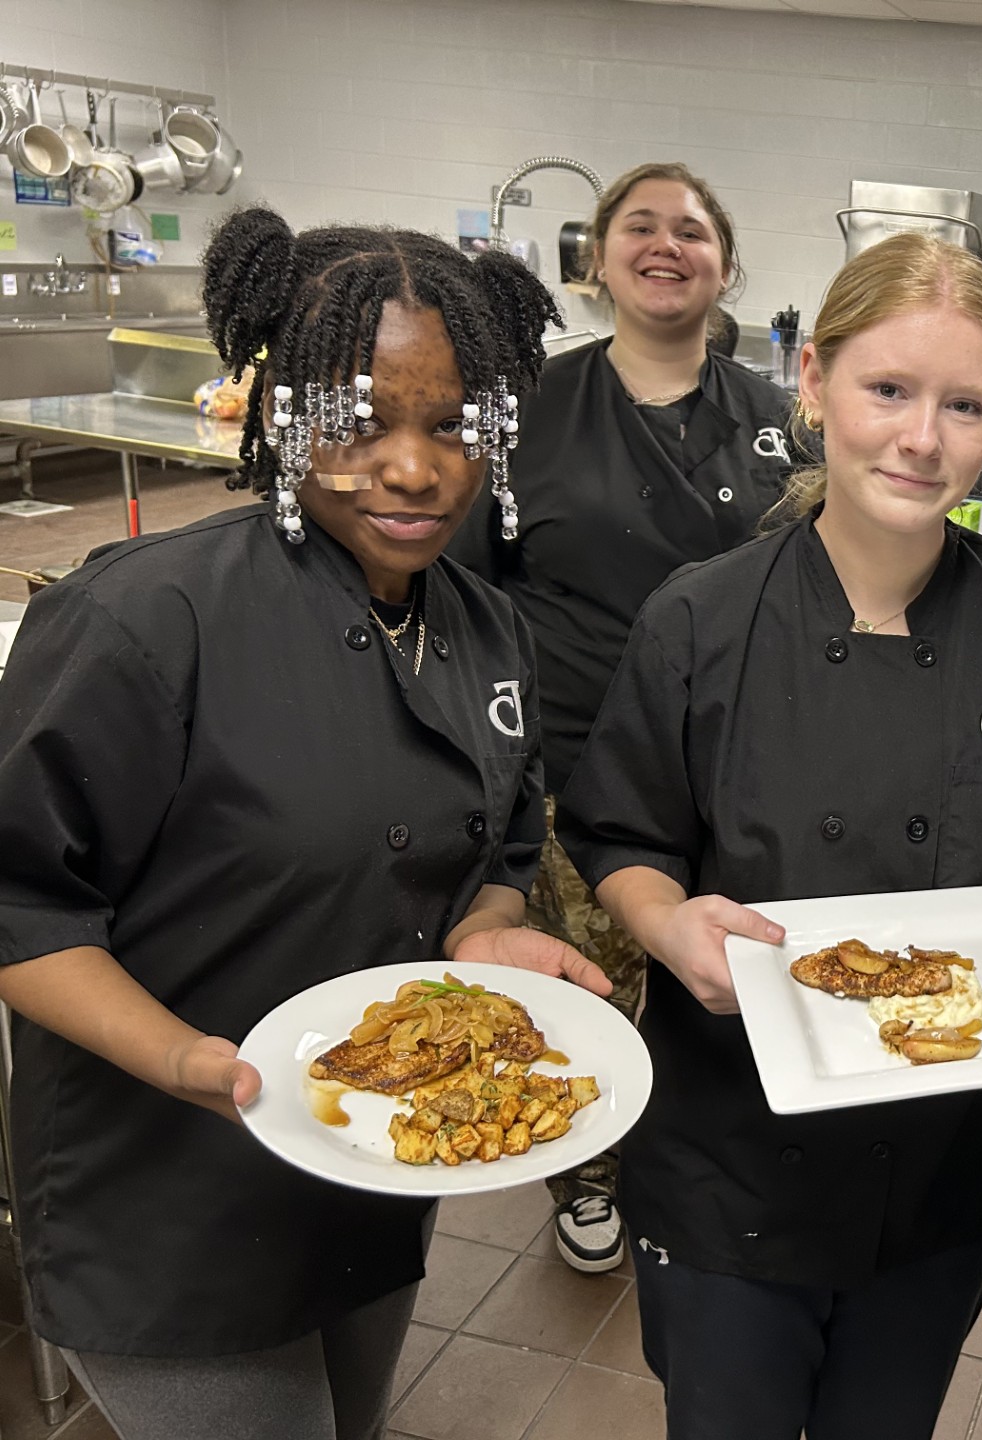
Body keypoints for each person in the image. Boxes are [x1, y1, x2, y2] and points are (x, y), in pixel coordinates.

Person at [0, 207, 607, 1440]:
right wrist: (183, 1058)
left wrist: (486, 930)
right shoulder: (144, 623)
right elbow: (20, 904)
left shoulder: (489, 632)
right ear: (277, 409)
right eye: (359, 419)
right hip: (171, 1193)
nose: (412, 467)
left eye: (452, 425)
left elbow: (492, 851)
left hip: (362, 1164)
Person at [557, 232, 982, 1440]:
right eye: (888, 391)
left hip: (941, 1153)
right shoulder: (699, 619)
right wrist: (665, 917)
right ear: (813, 384)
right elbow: (620, 831)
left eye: (965, 406)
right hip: (729, 1150)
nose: (923, 438)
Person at [448, 161, 794, 1272]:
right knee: (585, 976)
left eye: (691, 230)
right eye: (638, 227)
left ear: (725, 264)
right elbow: (470, 595)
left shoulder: (778, 421)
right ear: (596, 261)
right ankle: (584, 1172)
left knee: (716, 976)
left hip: (736, 763)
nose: (665, 245)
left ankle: (706, 1160)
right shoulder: (529, 412)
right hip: (568, 762)